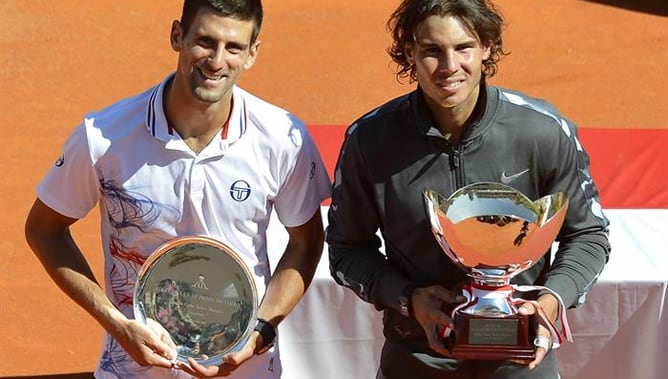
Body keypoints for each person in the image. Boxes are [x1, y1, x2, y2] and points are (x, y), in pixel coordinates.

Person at [24, 0, 331, 378]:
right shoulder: (103, 137)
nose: (217, 61)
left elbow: (306, 242)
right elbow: (43, 228)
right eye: (205, 41)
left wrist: (259, 332)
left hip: (245, 368)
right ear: (177, 36)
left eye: (233, 47)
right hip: (133, 370)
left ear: (252, 53)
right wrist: (116, 324)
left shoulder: (284, 139)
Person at [326, 0, 611, 378]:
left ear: (487, 48)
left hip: (520, 361)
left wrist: (551, 299)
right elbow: (346, 248)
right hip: (416, 360)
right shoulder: (370, 141)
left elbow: (589, 234)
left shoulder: (542, 131)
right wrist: (408, 299)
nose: (449, 67)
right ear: (409, 52)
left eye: (463, 48)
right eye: (431, 51)